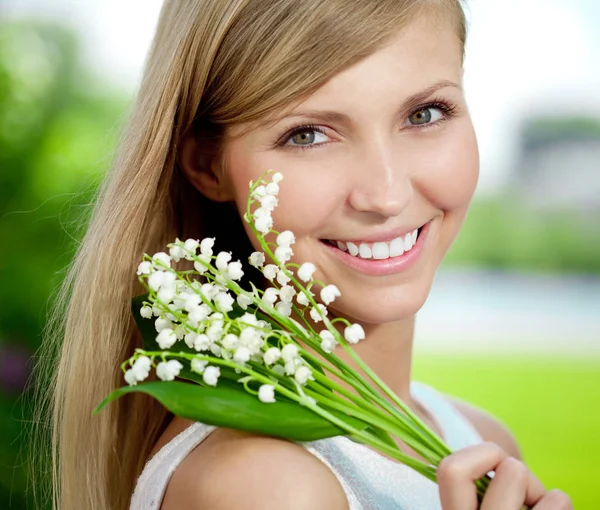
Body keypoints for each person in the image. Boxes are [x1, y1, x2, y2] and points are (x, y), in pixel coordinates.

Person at [39, 0, 574, 509]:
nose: (385, 195)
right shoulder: (265, 486)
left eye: (426, 113)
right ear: (208, 166)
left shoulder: (479, 442)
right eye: (309, 135)